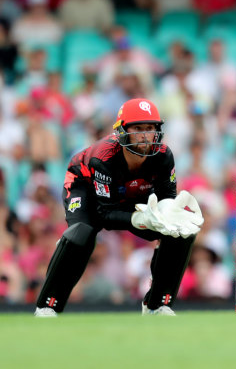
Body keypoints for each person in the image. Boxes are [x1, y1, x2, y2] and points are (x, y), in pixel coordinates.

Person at [34, 98, 204, 317]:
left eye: (150, 128)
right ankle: (47, 305)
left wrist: (170, 213)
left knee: (180, 231)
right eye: (138, 128)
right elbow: (103, 213)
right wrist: (139, 219)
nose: (145, 135)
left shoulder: (163, 155)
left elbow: (167, 199)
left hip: (131, 193)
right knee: (81, 234)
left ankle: (156, 305)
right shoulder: (103, 156)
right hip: (86, 187)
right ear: (123, 130)